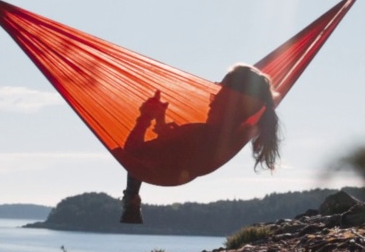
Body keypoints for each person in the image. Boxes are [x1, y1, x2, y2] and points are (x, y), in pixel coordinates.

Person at [119, 64, 281, 224]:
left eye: (218, 95)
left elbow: (133, 151)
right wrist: (161, 121)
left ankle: (131, 198)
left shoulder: (201, 134)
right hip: (177, 165)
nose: (211, 101)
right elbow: (173, 145)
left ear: (229, 103)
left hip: (162, 169)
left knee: (119, 150)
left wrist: (145, 117)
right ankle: (131, 199)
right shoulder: (237, 132)